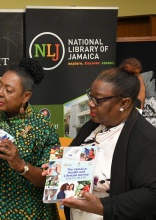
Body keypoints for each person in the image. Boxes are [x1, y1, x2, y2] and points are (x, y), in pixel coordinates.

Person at [42, 58, 156, 220]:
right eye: (91, 95)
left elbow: (152, 194)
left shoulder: (145, 138)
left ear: (124, 102)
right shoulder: (92, 126)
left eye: (99, 100)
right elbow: (82, 165)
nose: (90, 103)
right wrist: (60, 169)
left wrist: (104, 207)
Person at [0, 58, 61, 219]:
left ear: (26, 96)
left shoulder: (45, 128)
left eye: (8, 90)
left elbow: (53, 182)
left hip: (31, 214)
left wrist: (20, 165)